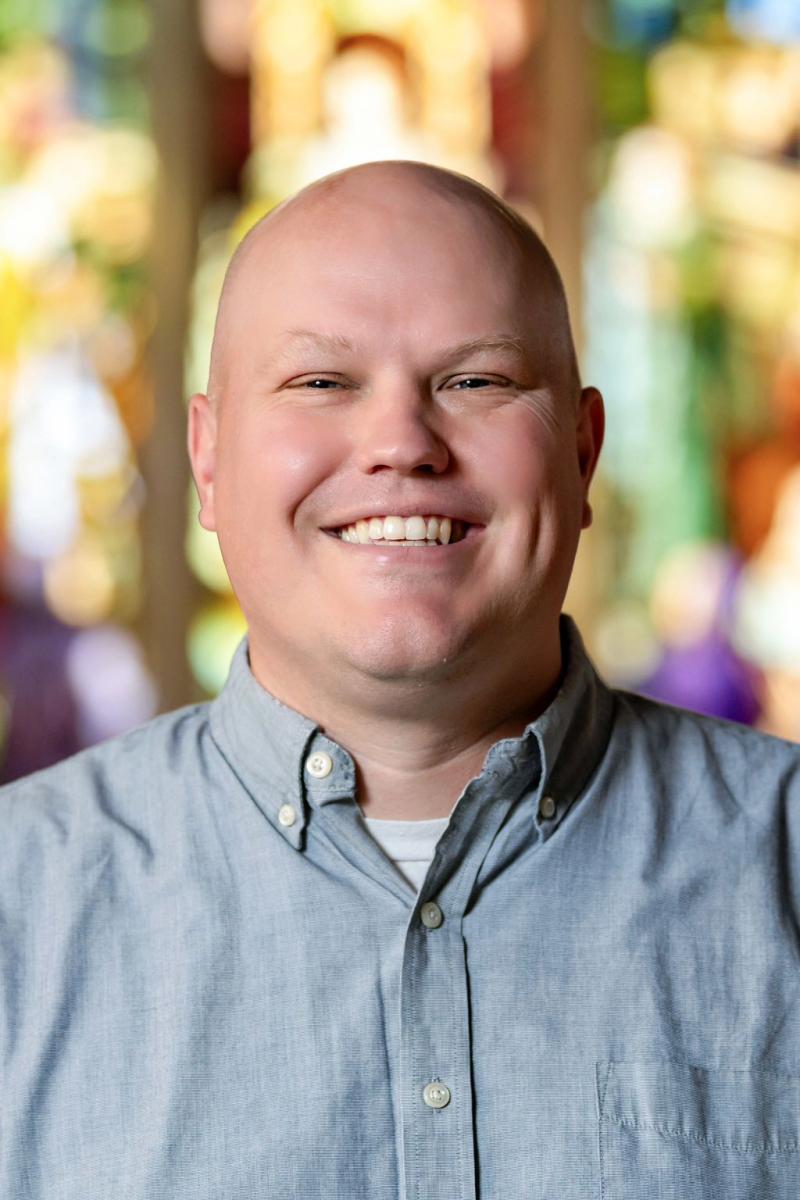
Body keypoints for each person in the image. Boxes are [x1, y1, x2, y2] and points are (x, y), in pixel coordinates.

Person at [1, 161, 799, 1200]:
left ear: (581, 448)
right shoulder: (20, 907)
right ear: (206, 460)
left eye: (474, 381)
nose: (399, 445)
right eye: (321, 382)